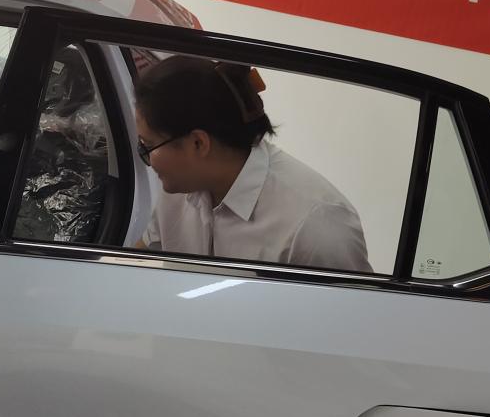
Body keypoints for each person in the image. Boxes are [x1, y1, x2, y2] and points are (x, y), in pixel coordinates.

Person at [134, 55, 372, 273]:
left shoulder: (316, 228)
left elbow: (350, 307)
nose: (144, 156)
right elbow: (140, 258)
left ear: (198, 143)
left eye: (148, 145)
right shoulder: (181, 187)